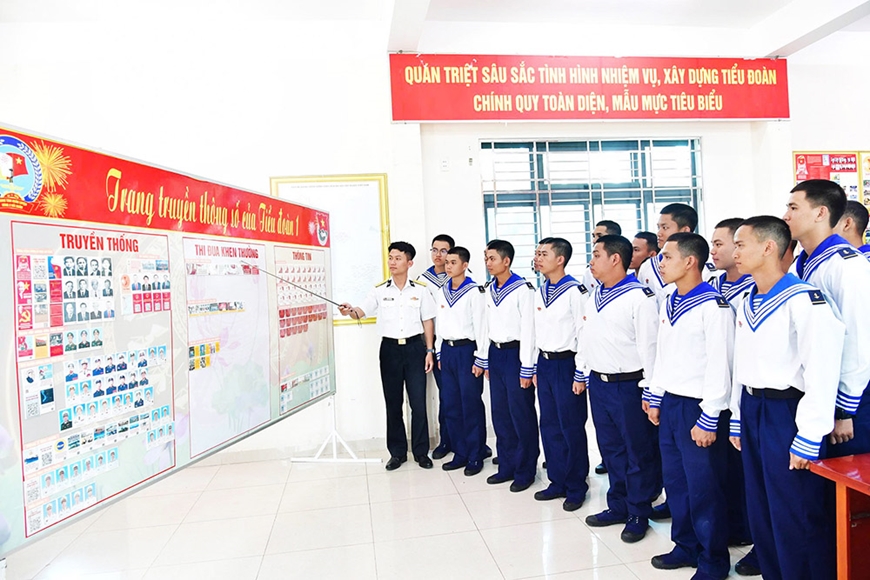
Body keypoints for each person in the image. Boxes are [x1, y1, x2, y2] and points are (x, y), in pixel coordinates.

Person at [730, 216, 843, 580]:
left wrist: (810, 434)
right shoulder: (748, 299)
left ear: (768, 247)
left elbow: (821, 370)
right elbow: (742, 364)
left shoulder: (804, 300)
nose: (734, 252)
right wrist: (737, 416)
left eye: (741, 244)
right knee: (761, 506)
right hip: (753, 407)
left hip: (787, 411)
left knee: (796, 509)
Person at [646, 233, 734, 579]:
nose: (660, 263)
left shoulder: (713, 306)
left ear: (690, 261)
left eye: (667, 257)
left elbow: (720, 364)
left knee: (704, 487)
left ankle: (713, 560)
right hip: (671, 402)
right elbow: (663, 353)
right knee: (677, 481)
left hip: (699, 407)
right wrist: (656, 395)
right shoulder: (670, 298)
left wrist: (710, 416)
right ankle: (685, 546)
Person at [581, 235, 660, 543]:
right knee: (611, 448)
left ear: (615, 259)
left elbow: (649, 349)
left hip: (628, 385)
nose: (591, 261)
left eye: (596, 255)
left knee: (636, 452)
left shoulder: (640, 298)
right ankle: (618, 505)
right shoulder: (595, 295)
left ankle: (638, 512)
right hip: (598, 383)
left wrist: (650, 390)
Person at [785, 179, 870, 457]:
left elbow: (858, 339)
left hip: (849, 398)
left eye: (794, 208)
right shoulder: (800, 265)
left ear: (821, 213)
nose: (786, 216)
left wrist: (845, 408)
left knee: (847, 474)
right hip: (816, 392)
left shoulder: (847, 265)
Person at [338, 241, 437, 471]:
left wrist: (430, 351)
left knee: (418, 404)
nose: (392, 262)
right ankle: (397, 453)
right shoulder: (379, 290)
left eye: (398, 258)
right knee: (393, 404)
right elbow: (360, 312)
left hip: (415, 349)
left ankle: (421, 452)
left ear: (409, 263)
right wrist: (349, 310)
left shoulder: (421, 290)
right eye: (390, 257)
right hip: (390, 351)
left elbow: (428, 321)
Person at [532, 237, 590, 511]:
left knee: (571, 426)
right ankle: (557, 480)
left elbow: (583, 333)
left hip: (567, 364)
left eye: (544, 254)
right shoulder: (540, 290)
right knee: (550, 424)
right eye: (537, 253)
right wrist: (533, 365)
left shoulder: (575, 291)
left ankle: (577, 485)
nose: (538, 258)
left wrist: (581, 373)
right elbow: (536, 331)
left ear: (560, 259)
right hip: (545, 364)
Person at [708, 216, 754, 552]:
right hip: (715, 390)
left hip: (743, 390)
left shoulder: (753, 287)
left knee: (743, 470)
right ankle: (726, 525)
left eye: (720, 243)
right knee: (719, 468)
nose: (715, 250)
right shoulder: (712, 285)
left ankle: (746, 530)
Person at [482, 239, 539, 492]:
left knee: (521, 414)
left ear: (506, 261)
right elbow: (485, 325)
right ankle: (507, 465)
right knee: (501, 413)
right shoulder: (489, 289)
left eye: (492, 258)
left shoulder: (523, 289)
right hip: (496, 353)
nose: (488, 263)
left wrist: (527, 366)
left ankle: (525, 469)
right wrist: (484, 358)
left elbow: (529, 330)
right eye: (486, 258)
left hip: (516, 354)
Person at [432, 246, 489, 476]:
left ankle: (476, 454)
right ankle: (460, 452)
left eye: (453, 262)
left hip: (467, 351)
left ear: (465, 265)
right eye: (447, 262)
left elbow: (481, 326)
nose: (448, 266)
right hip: (447, 351)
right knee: (451, 404)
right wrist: (438, 352)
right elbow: (439, 324)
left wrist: (481, 357)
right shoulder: (442, 290)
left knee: (470, 404)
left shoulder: (474, 291)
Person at [418, 233, 456, 460]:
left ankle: (470, 442)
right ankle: (446, 440)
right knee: (446, 395)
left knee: (465, 396)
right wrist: (430, 349)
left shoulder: (462, 277)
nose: (438, 255)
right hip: (436, 346)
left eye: (444, 251)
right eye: (434, 250)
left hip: (460, 345)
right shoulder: (423, 281)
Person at [637, 203, 700, 307]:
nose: (659, 233)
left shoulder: (702, 267)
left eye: (665, 227)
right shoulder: (647, 267)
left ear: (685, 230)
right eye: (659, 227)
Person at [583, 220, 622, 295]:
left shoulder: (628, 270)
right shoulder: (589, 272)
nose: (594, 240)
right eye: (593, 236)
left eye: (599, 236)